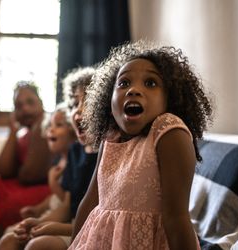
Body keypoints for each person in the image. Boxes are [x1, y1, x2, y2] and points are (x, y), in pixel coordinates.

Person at [69, 41, 213, 250]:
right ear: (109, 101)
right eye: (124, 83)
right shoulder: (110, 138)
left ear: (169, 98)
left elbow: (177, 219)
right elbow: (90, 202)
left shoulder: (168, 131)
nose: (133, 90)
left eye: (151, 83)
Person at [0, 67, 98, 250]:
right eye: (74, 104)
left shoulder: (106, 154)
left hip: (91, 231)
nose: (79, 110)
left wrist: (51, 227)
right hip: (71, 224)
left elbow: (96, 221)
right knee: (9, 240)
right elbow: (67, 206)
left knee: (36, 246)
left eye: (88, 102)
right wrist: (38, 221)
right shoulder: (76, 152)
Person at [0, 81, 53, 247]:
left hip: (49, 187)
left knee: (9, 204)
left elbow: (29, 175)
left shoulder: (46, 127)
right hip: (26, 184)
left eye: (30, 102)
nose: (25, 109)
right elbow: (3, 170)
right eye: (18, 106)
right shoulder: (23, 133)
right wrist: (13, 130)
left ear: (41, 103)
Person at [0, 103, 76, 249]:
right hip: (53, 213)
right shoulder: (58, 160)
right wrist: (37, 209)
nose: (50, 130)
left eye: (58, 125)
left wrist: (53, 183)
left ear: (73, 131)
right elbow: (53, 198)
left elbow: (68, 204)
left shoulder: (75, 162)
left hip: (64, 219)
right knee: (9, 234)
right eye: (50, 125)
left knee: (24, 240)